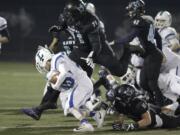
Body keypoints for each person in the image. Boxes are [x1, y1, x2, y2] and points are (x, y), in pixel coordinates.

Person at [22, 46, 105, 132]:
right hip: (77, 86)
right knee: (67, 110)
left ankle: (85, 124)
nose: (45, 69)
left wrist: (56, 85)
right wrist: (55, 86)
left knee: (71, 106)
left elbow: (64, 73)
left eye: (43, 66)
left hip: (82, 83)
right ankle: (96, 115)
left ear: (45, 61)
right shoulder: (52, 71)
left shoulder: (56, 59)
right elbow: (65, 85)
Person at [62, 0, 141, 77]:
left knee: (119, 71)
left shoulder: (93, 23)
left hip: (100, 50)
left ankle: (128, 49)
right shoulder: (75, 19)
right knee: (69, 64)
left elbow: (96, 44)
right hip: (85, 49)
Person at [114, 0, 164, 106]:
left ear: (137, 10)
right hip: (151, 55)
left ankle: (160, 105)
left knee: (151, 82)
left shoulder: (139, 21)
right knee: (143, 83)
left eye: (132, 10)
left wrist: (115, 41)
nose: (130, 12)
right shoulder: (148, 20)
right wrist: (160, 51)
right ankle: (153, 100)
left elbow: (130, 37)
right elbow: (158, 38)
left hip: (153, 55)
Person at [109, 84, 180, 131]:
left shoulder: (137, 103)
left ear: (125, 98)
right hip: (154, 110)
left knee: (175, 121)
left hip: (160, 119)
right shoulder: (120, 104)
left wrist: (132, 126)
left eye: (118, 98)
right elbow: (121, 118)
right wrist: (118, 124)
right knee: (164, 109)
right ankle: (175, 106)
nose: (116, 101)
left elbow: (148, 121)